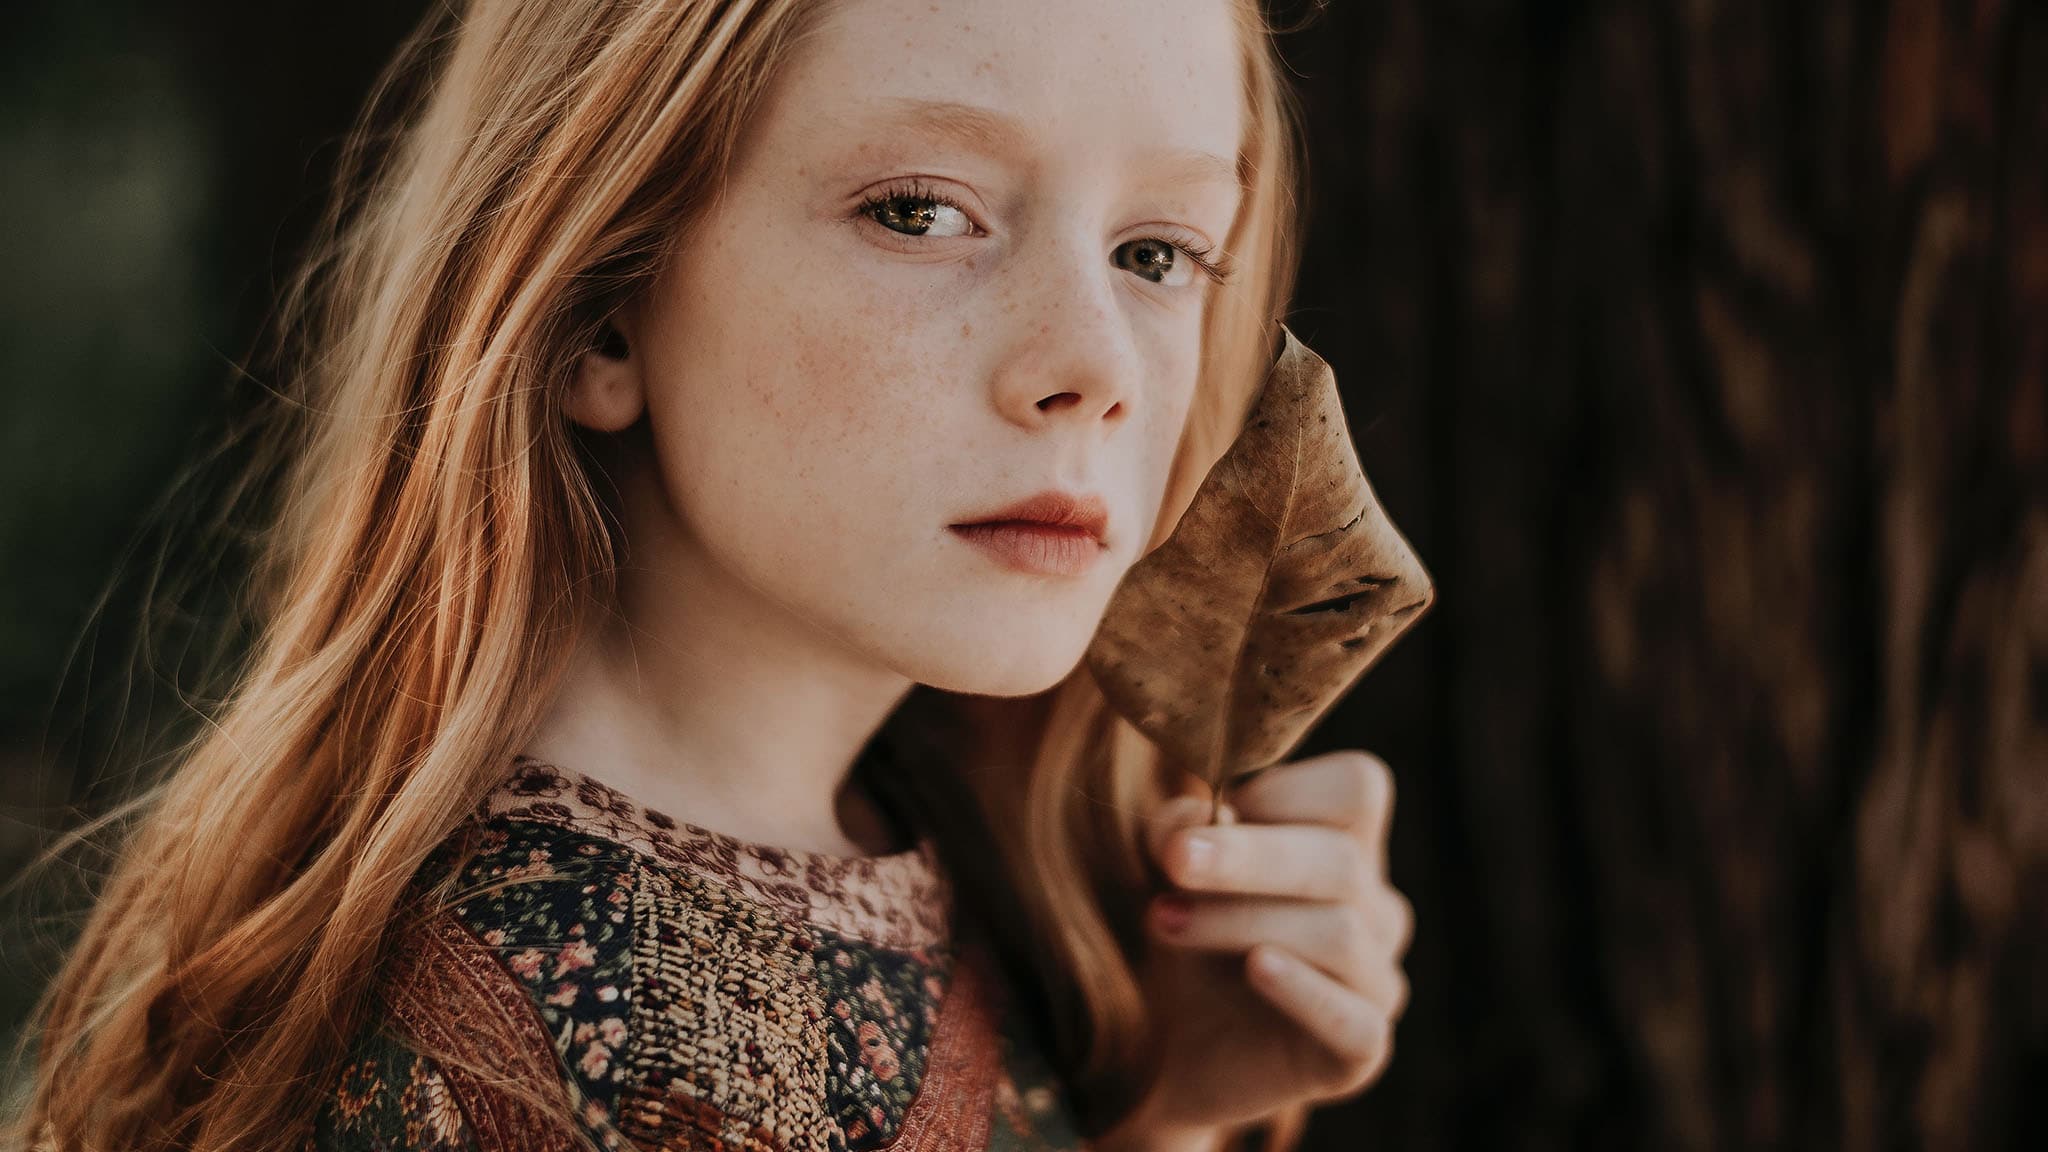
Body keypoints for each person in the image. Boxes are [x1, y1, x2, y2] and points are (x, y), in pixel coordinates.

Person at [9, 0, 1413, 1149]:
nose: (1096, 365)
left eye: (1157, 252)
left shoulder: (939, 847)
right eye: (921, 213)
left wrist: (1171, 1117)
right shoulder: (560, 1060)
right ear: (601, 312)